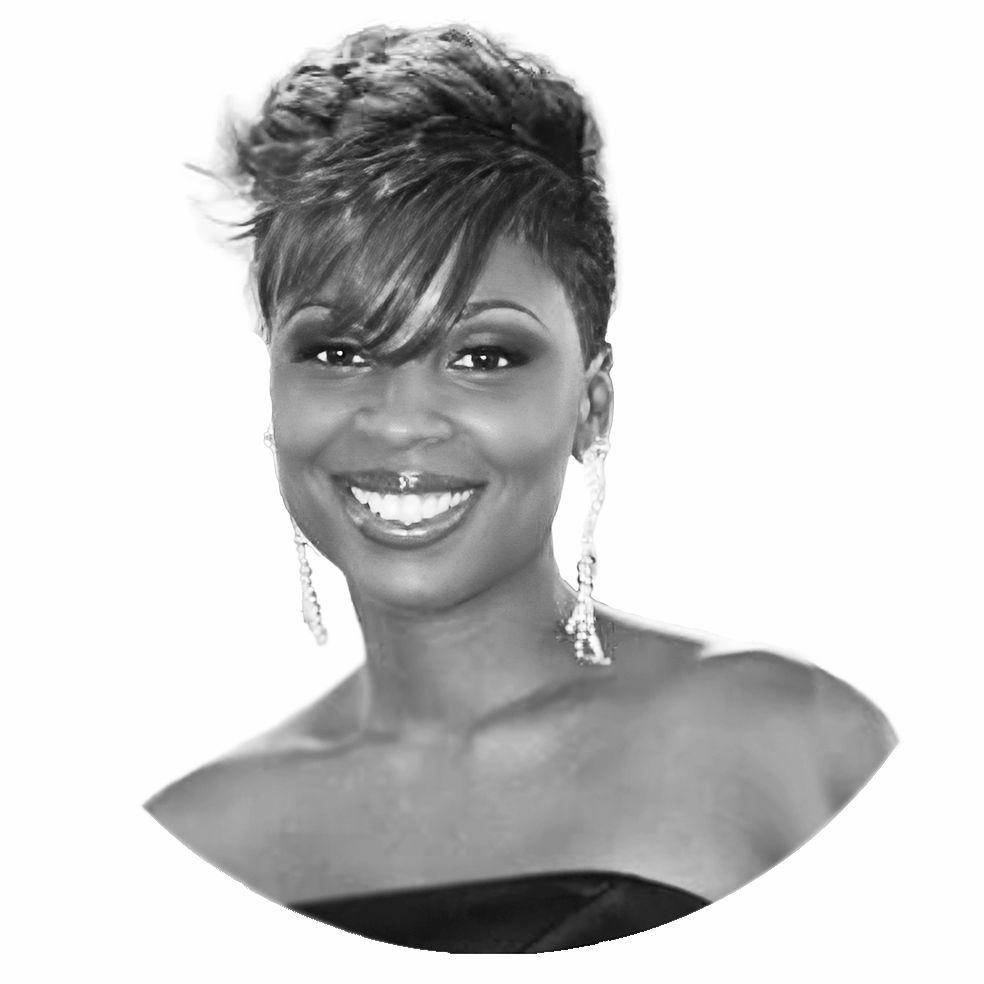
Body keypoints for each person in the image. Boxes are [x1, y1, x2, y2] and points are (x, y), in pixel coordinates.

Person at [144, 23, 897, 953]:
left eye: (483, 355)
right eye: (336, 352)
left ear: (592, 404)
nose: (400, 420)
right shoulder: (187, 846)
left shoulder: (796, 742)